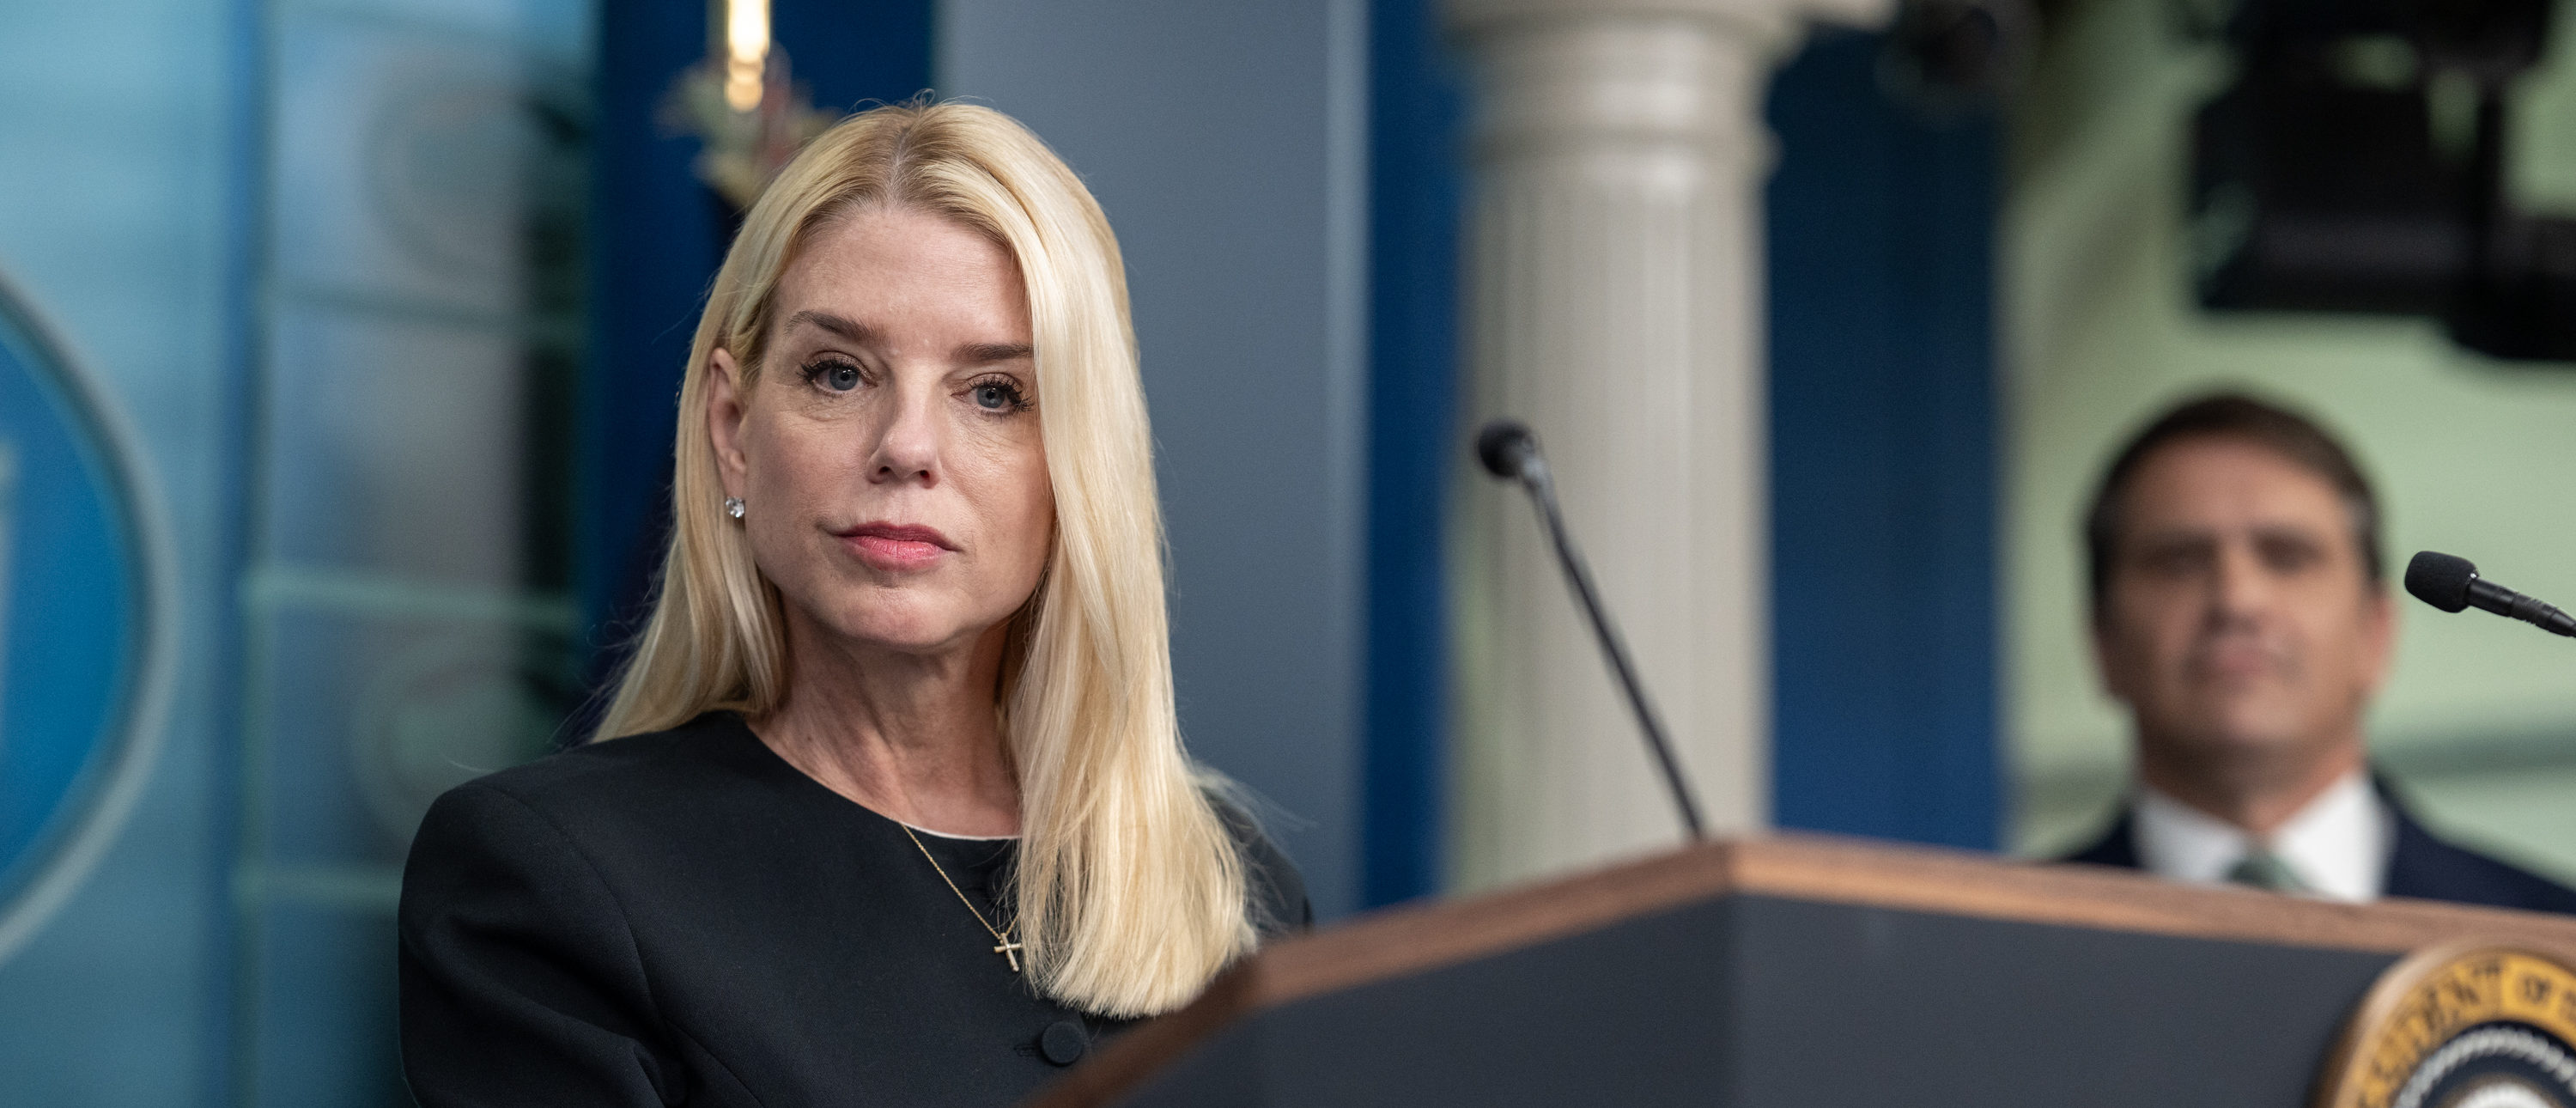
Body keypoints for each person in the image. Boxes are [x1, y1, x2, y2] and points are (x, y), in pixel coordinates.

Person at [398, 101, 1309, 1106]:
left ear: (1081, 467)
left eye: (995, 393)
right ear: (735, 428)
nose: (906, 446)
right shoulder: (548, 879)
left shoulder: (1234, 890)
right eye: (839, 373)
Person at [2061, 392, 2576, 912]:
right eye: (2179, 562)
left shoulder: (2549, 935)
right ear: (2103, 641)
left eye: (2287, 557)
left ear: (2375, 634)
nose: (2237, 600)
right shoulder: (2000, 948)